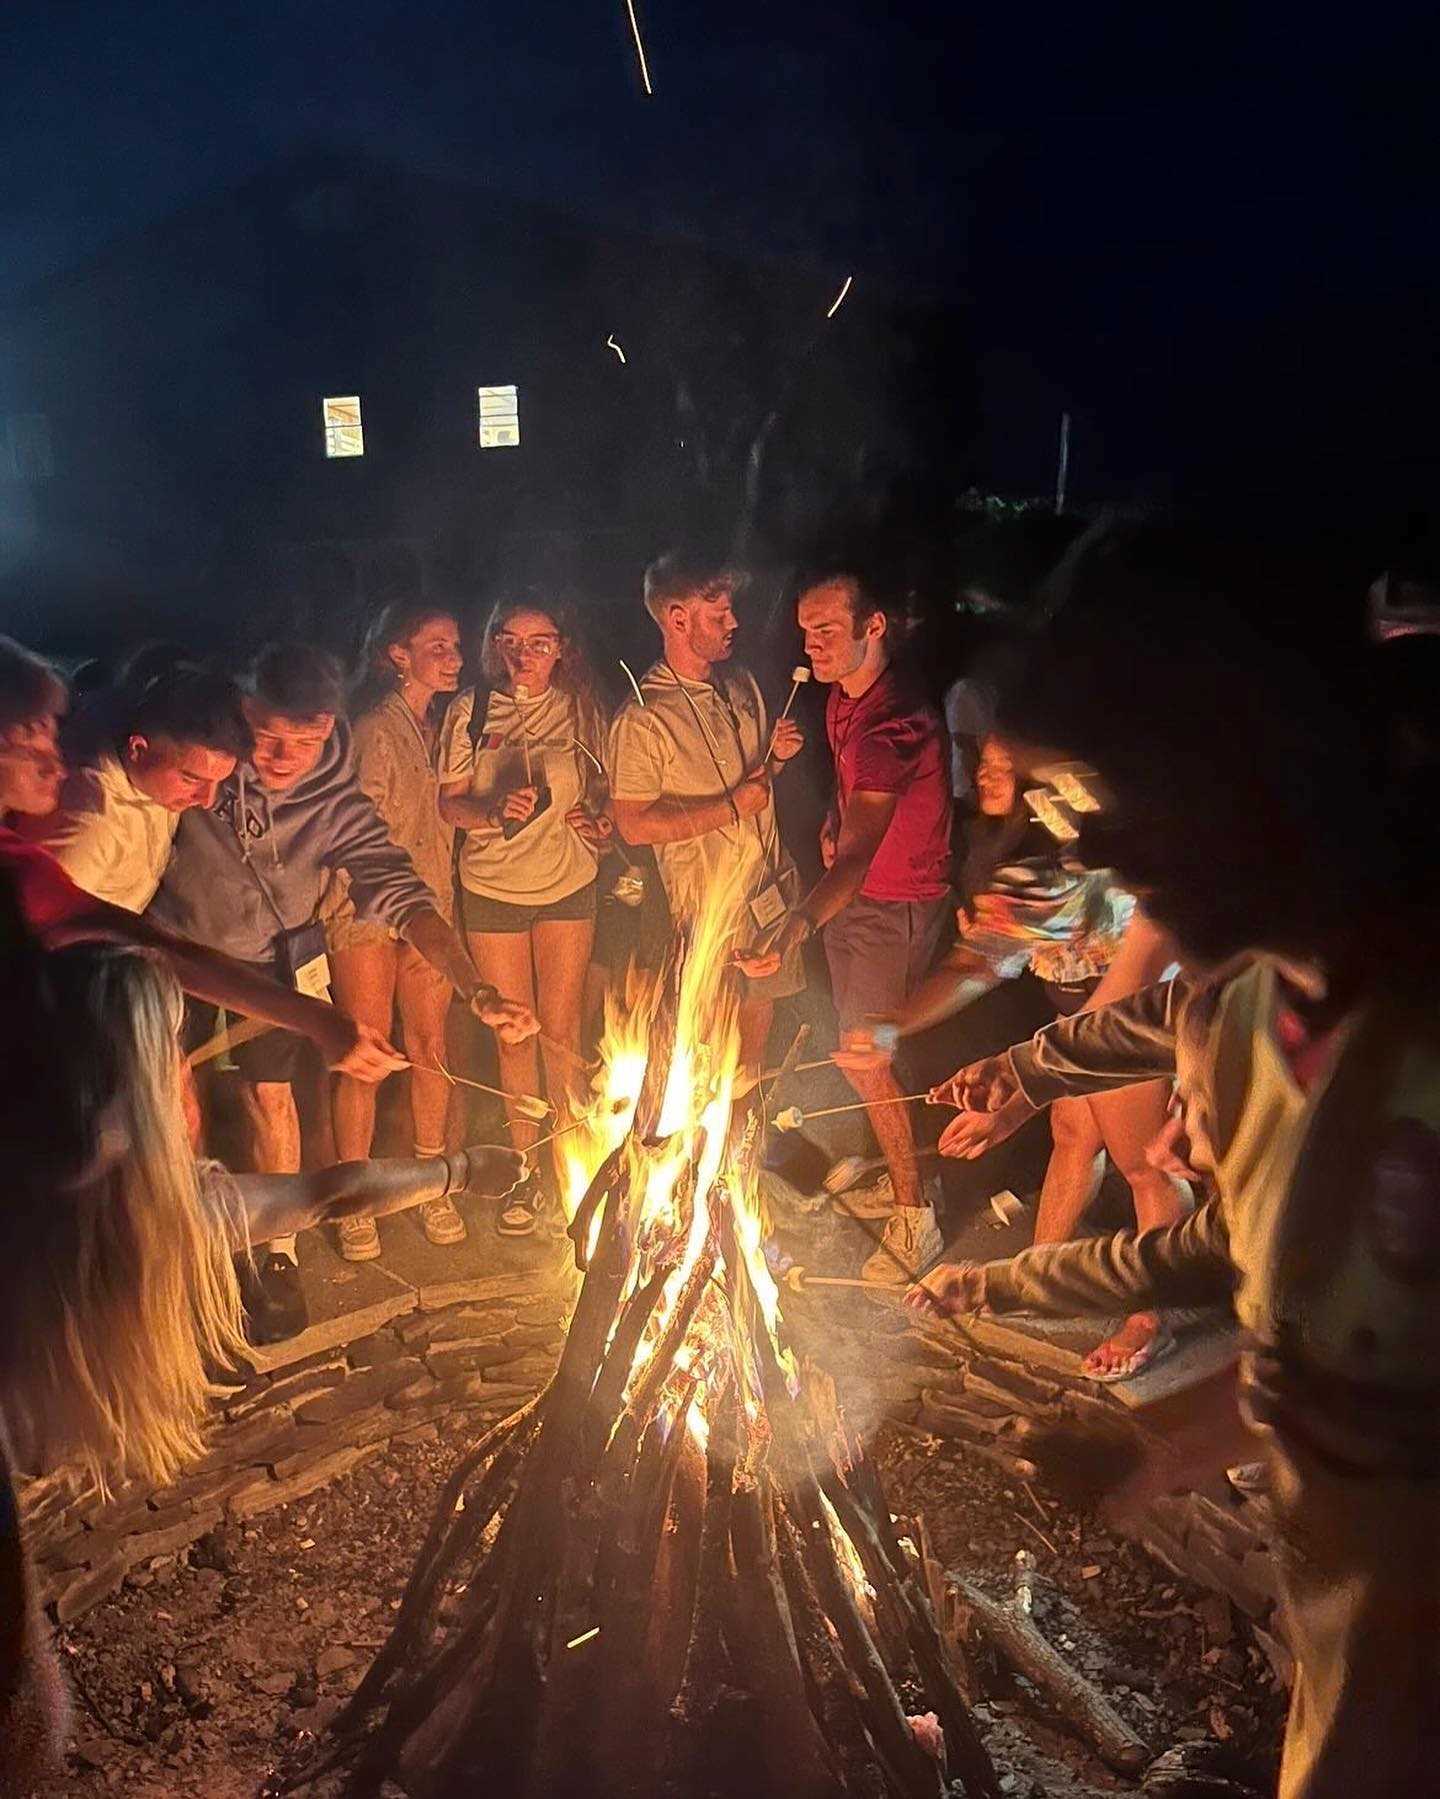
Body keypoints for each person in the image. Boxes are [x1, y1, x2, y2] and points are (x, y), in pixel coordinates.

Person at [907, 521, 1440, 1799]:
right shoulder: (1248, 1016)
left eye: (1099, 791)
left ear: (1249, 749)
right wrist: (1160, 1450)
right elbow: (1322, 1355)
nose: (1090, 850)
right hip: (1350, 1709)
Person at [0, 928, 524, 1795]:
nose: (188, 1069)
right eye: (171, 1046)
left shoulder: (99, 1185)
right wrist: (462, 1169)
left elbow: (326, 1194)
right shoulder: (145, 1208)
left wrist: (458, 1169)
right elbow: (324, 1196)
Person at [150, 642, 538, 1340]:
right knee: (174, 1102)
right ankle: (188, 1247)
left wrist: (475, 988)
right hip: (171, 946)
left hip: (270, 964)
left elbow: (401, 890)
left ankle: (277, 1254)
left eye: (304, 738)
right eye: (266, 734)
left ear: (328, 727)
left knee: (270, 1100)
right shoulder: (203, 758)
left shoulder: (334, 801)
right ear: (241, 706)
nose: (280, 755)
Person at [840, 735, 1188, 1376]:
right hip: (1080, 1016)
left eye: (1007, 763)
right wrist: (892, 1027)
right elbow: (983, 961)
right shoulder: (1023, 859)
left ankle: (1149, 1318)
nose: (986, 772)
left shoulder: (1084, 857)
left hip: (1129, 1021)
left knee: (1143, 1166)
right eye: (985, 761)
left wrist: (1018, 1090)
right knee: (1073, 1132)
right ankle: (1038, 1279)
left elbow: (1102, 1002)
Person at [0, 633, 405, 1079]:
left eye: (52, 736)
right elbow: (142, 948)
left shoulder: (135, 741)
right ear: (138, 748)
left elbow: (152, 946)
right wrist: (316, 1019)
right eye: (26, 744)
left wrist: (317, 1019)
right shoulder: (82, 827)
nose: (57, 764)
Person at [745, 569, 951, 1281]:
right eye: (806, 630)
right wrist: (833, 823)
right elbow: (853, 818)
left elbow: (861, 858)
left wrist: (798, 922)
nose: (814, 642)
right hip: (862, 898)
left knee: (866, 1057)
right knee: (869, 1049)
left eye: (829, 628)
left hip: (891, 904)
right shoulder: (842, 700)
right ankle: (909, 1176)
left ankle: (915, 1217)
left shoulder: (893, 723)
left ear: (874, 626)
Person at [439, 589, 612, 1234]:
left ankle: (563, 1167)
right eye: (509, 641)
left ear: (561, 649)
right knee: (515, 1031)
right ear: (494, 646)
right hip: (492, 888)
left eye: (538, 643)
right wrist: (490, 814)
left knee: (562, 1032)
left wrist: (601, 827)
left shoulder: (582, 711)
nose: (522, 655)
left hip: (567, 883)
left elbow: (606, 797)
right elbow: (449, 804)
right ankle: (521, 1168)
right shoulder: (472, 710)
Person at [608, 551, 806, 1090]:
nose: (734, 623)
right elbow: (632, 824)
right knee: (705, 1049)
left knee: (751, 1058)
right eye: (718, 615)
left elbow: (756, 784)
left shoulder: (739, 685)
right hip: (705, 907)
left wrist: (778, 759)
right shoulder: (644, 718)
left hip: (766, 891)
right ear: (677, 620)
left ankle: (740, 1161)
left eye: (731, 611)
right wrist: (728, 808)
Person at [322, 602, 466, 1260]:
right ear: (398, 654)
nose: (453, 654)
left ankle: (431, 1180)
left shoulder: (444, 725)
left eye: (456, 643)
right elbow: (359, 831)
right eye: (436, 644)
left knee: (431, 1045)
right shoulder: (376, 728)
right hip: (366, 908)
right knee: (368, 1050)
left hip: (430, 901)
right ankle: (355, 1195)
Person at [25, 659, 246, 910]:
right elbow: (45, 929)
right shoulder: (90, 826)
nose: (206, 800)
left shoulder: (152, 769)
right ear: (138, 749)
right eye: (191, 779)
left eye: (218, 781)